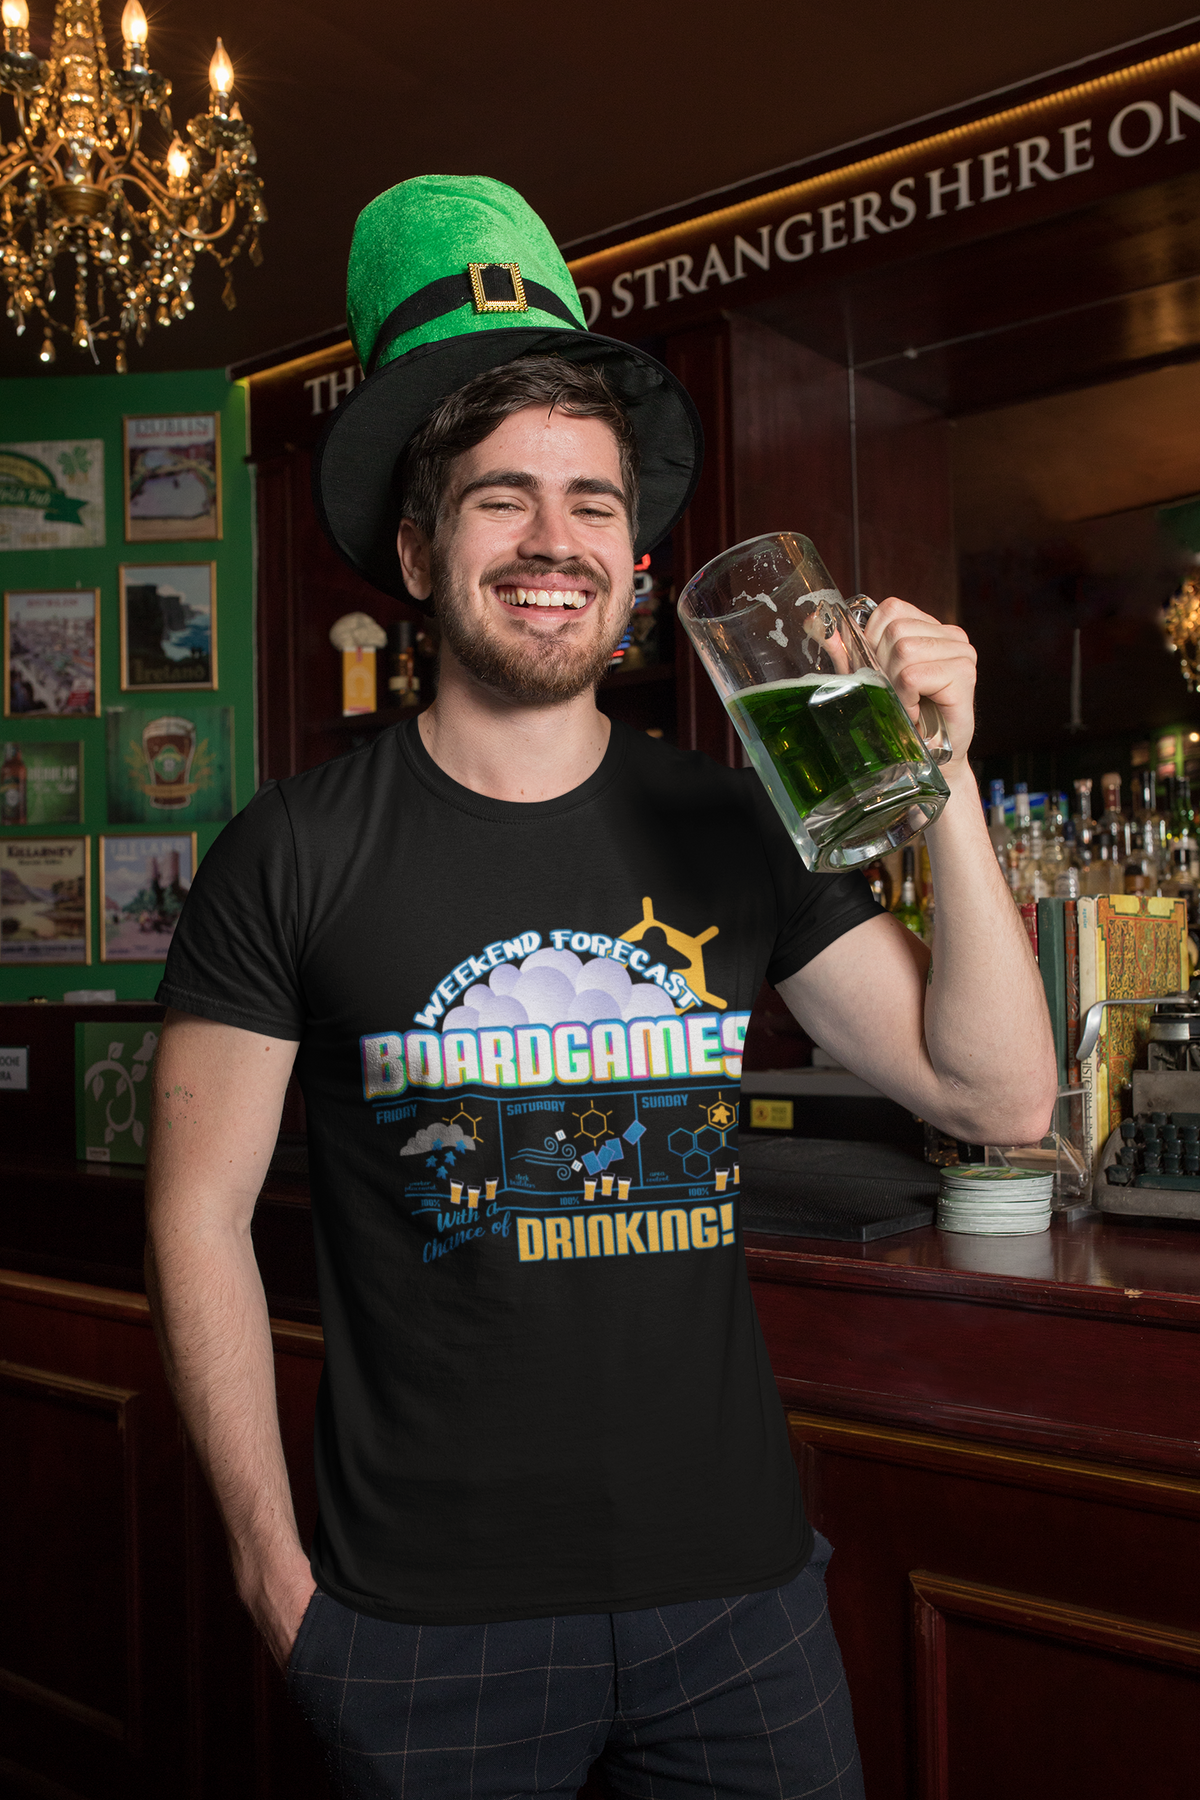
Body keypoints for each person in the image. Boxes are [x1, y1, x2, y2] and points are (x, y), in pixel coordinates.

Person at [145, 176, 1056, 1799]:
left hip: (738, 1603)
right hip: (422, 1620)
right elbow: (196, 1217)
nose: (554, 543)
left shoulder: (735, 819)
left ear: (635, 565)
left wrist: (950, 781)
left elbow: (997, 1094)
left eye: (590, 503)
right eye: (501, 500)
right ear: (417, 549)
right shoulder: (290, 852)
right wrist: (273, 1579)